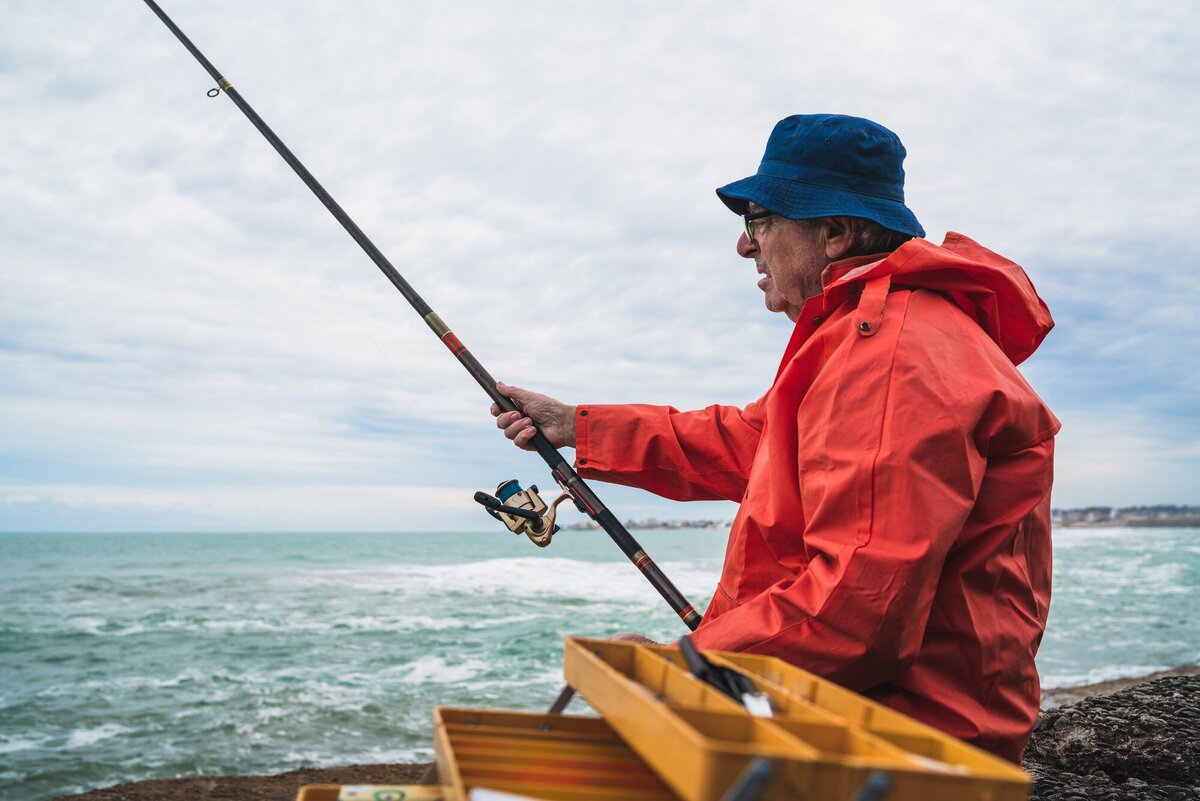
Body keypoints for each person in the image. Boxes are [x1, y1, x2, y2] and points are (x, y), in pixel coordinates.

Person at [491, 114, 1059, 763]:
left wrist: (681, 668)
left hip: (903, 741)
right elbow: (753, 443)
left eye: (759, 220)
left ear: (836, 231)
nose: (745, 246)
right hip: (873, 710)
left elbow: (858, 610)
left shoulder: (894, 357)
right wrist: (578, 426)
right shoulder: (869, 334)